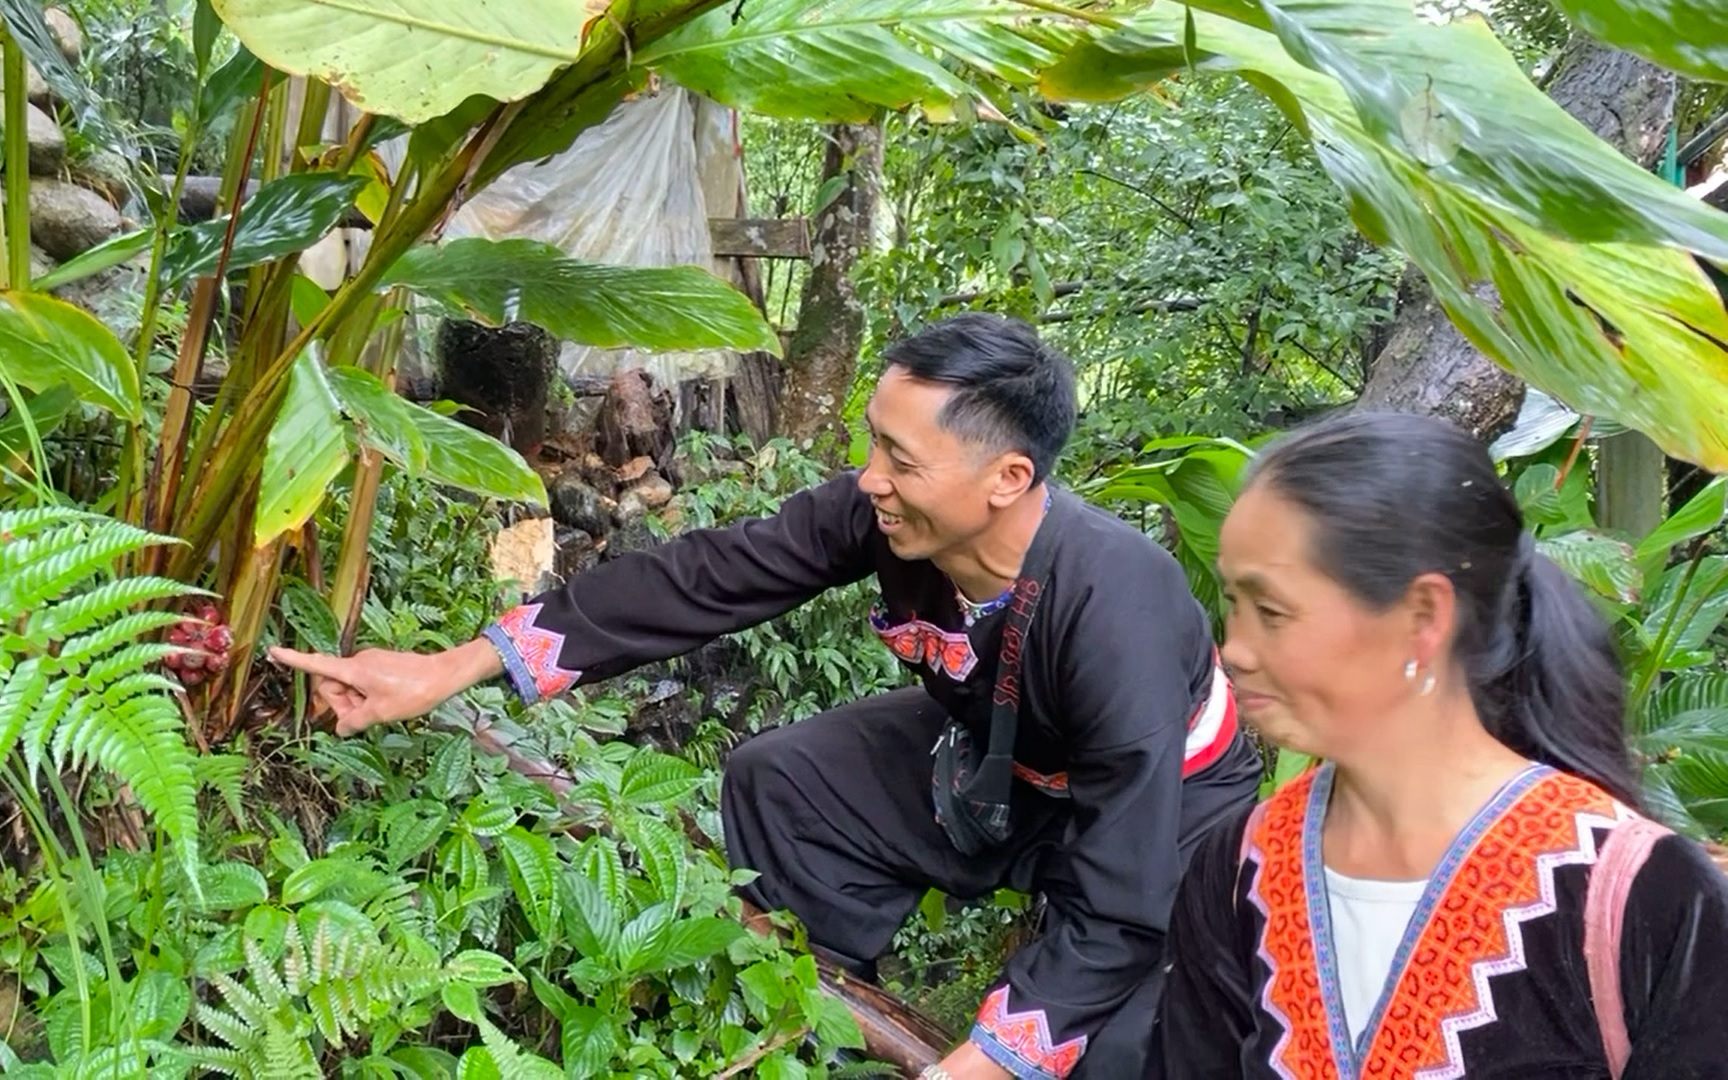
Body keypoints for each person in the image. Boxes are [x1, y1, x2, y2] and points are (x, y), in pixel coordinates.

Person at [270, 313, 1262, 1079]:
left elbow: (1120, 887)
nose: (869, 479)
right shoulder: (888, 518)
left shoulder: (1115, 602)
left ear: (1007, 477)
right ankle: (817, 1020)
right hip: (994, 761)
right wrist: (452, 667)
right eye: (872, 444)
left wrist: (999, 1052)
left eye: (900, 459)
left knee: (1137, 1047)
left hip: (1163, 825)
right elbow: (705, 579)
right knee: (784, 782)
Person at [1157, 411, 1728, 1078]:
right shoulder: (1236, 871)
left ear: (1423, 618)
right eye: (1232, 604)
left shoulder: (1638, 893)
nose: (1237, 651)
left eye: (1273, 611)